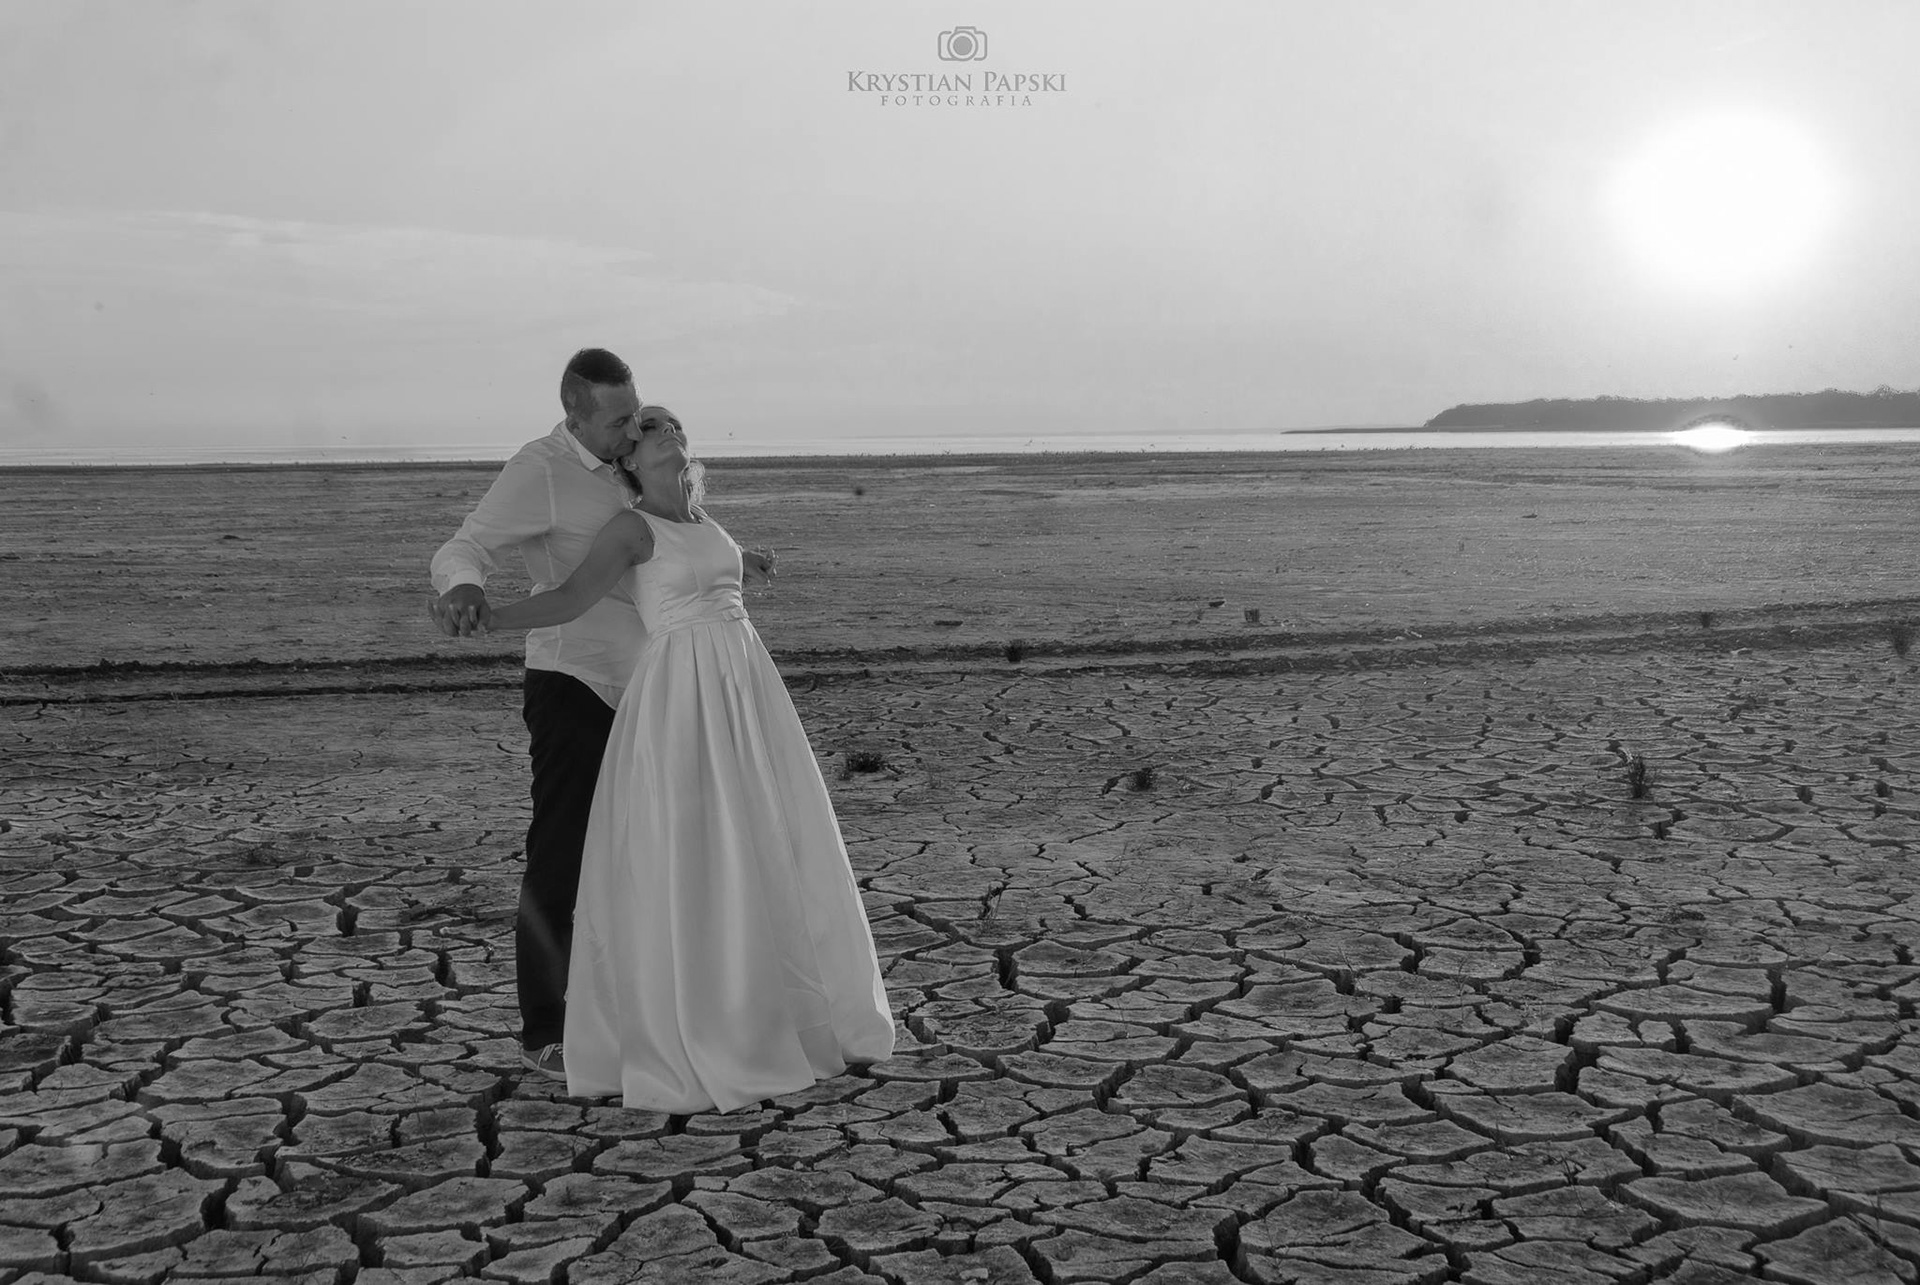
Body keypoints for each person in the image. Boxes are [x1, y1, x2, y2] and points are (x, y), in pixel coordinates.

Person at [481, 410, 895, 1113]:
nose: (667, 431)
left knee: (768, 834)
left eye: (673, 425)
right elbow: (572, 597)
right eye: (651, 429)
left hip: (745, 686)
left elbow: (706, 572)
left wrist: (745, 563)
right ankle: (701, 1024)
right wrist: (489, 617)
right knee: (699, 847)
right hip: (682, 694)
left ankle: (788, 1011)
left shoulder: (703, 517)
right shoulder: (631, 527)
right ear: (629, 460)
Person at [428, 348, 770, 1082]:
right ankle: (544, 1030)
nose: (631, 429)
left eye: (635, 414)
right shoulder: (541, 470)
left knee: (653, 855)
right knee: (564, 855)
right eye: (617, 421)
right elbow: (468, 545)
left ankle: (651, 1010)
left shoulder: (631, 463)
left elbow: (672, 535)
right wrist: (464, 589)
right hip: (575, 681)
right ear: (574, 414)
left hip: (655, 690)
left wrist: (738, 558)